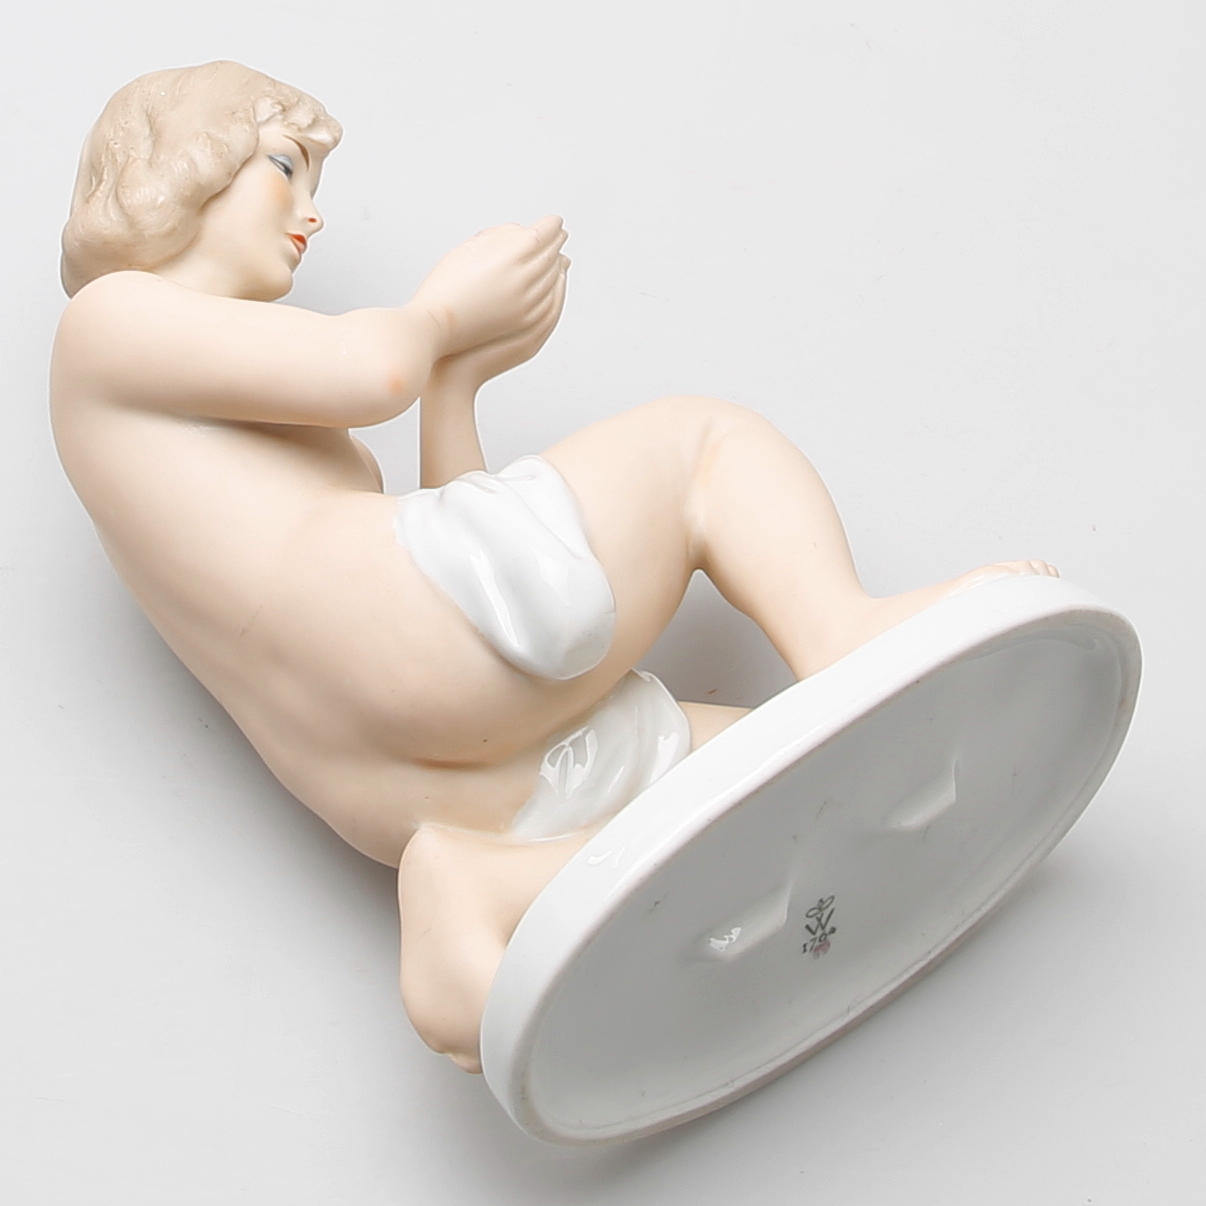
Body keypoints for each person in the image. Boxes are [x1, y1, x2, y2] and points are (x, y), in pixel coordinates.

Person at [52, 61, 1057, 1072]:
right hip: (387, 663)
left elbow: (446, 597)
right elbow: (373, 373)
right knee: (703, 448)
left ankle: (475, 888)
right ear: (183, 167)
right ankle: (849, 637)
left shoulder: (229, 432)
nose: (310, 214)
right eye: (284, 167)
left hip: (390, 767)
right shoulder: (110, 318)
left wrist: (455, 384)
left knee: (747, 767)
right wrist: (445, 311)